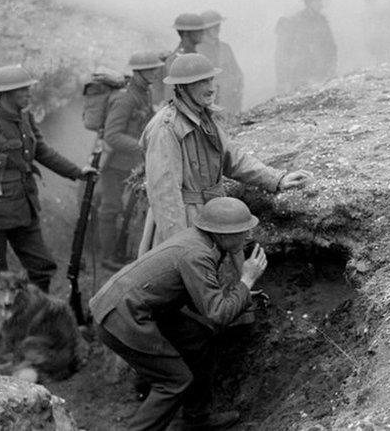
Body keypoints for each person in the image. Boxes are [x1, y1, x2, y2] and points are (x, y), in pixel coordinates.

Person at [89, 197, 267, 431]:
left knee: (198, 338)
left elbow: (202, 300)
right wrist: (247, 280)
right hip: (121, 317)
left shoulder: (201, 242)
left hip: (136, 308)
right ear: (222, 235)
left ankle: (196, 419)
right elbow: (217, 314)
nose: (247, 236)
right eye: (241, 232)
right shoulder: (197, 254)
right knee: (174, 381)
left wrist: (244, 295)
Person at [0, 65, 96, 344]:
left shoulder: (25, 118)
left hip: (23, 210)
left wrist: (76, 172)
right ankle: (2, 338)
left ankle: (33, 322)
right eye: (23, 89)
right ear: (6, 94)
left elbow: (41, 151)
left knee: (42, 266)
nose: (28, 93)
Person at [139, 53, 311, 258]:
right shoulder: (165, 128)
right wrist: (179, 249)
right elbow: (165, 196)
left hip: (213, 216)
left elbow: (233, 158)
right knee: (187, 283)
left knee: (220, 282)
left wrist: (277, 178)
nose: (211, 87)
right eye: (201, 81)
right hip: (185, 222)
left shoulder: (205, 117)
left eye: (210, 79)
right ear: (182, 87)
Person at [96, 52, 166, 271]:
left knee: (128, 211)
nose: (155, 72)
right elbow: (112, 135)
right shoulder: (126, 98)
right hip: (114, 165)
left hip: (132, 164)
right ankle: (108, 256)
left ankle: (122, 252)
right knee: (111, 208)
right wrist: (142, 146)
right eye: (151, 69)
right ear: (138, 71)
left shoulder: (145, 93)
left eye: (156, 68)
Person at [274, 0, 338, 95]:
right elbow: (283, 52)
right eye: (317, 0)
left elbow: (331, 47)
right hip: (301, 74)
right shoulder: (295, 22)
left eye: (320, 0)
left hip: (320, 73)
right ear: (309, 2)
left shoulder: (322, 21)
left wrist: (331, 68)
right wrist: (283, 80)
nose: (321, 4)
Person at [196, 10, 244, 122]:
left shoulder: (225, 48)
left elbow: (237, 73)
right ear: (205, 29)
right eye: (213, 27)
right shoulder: (197, 50)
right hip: (210, 102)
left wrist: (238, 89)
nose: (217, 29)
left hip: (230, 100)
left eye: (218, 26)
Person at [154, 13, 208, 106]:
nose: (202, 32)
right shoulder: (175, 61)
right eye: (198, 30)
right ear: (186, 33)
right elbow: (171, 97)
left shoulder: (196, 57)